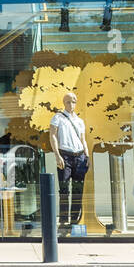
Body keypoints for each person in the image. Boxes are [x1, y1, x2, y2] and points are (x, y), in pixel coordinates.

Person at [49, 91, 90, 232]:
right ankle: (63, 220)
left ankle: (74, 220)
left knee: (78, 190)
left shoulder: (79, 121)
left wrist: (87, 155)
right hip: (65, 155)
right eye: (68, 102)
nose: (71, 104)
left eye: (73, 102)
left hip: (80, 155)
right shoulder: (58, 117)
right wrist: (57, 155)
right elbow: (52, 136)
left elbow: (83, 139)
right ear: (64, 103)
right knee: (64, 189)